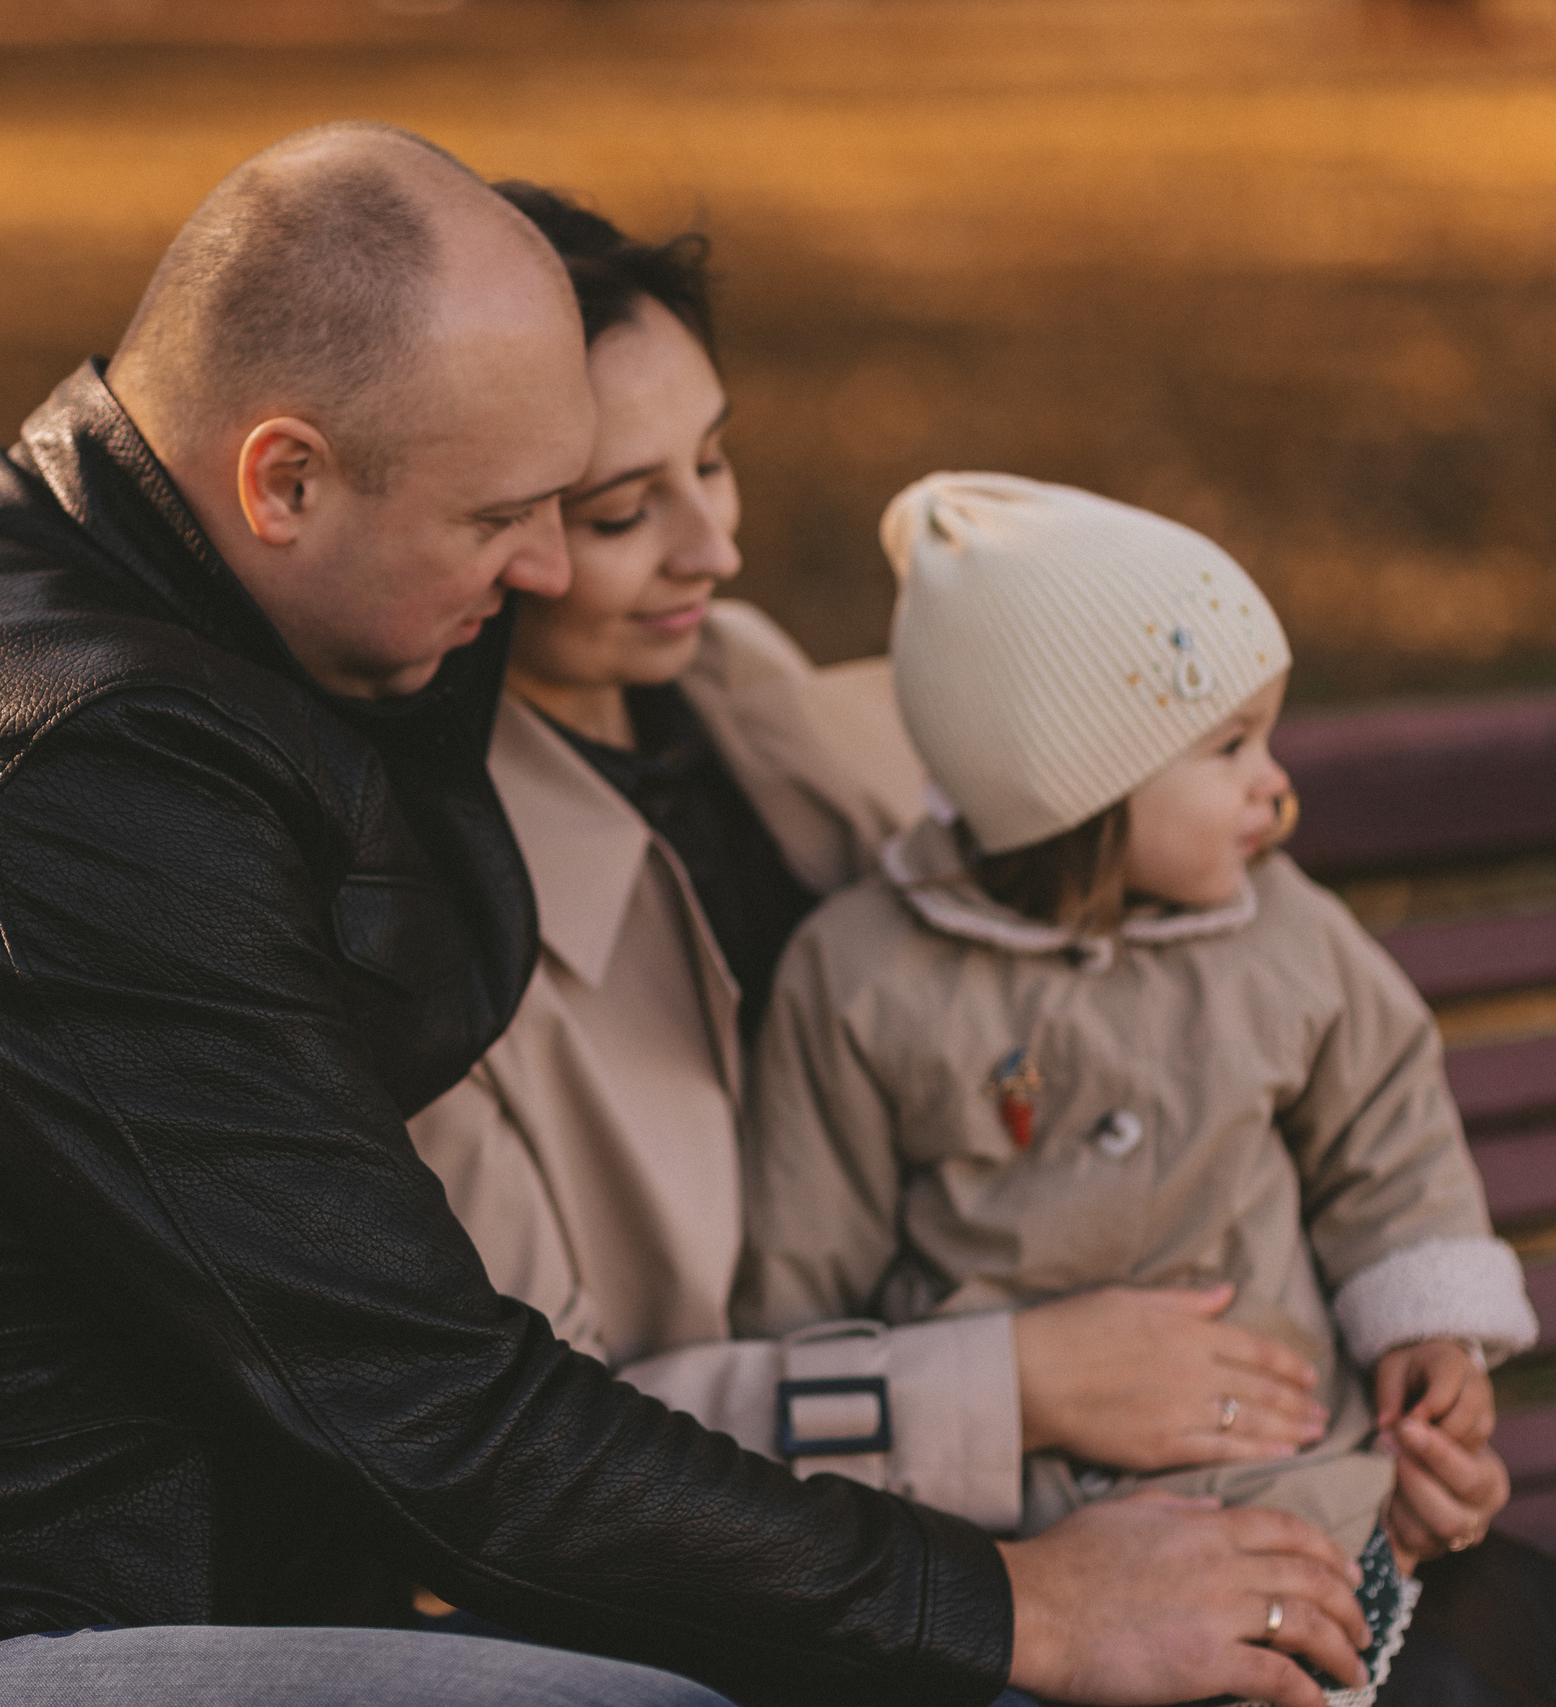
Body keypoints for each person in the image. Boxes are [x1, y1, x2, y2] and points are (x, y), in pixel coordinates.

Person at [0, 125, 1369, 1707]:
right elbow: (423, 1402)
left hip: (50, 1571)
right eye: (503, 519)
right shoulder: (65, 779)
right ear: (281, 478)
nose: (540, 574)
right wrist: (1013, 1603)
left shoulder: (192, 632)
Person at [408, 186, 1420, 1544]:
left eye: (710, 461)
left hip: (1195, 1475)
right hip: (798, 1576)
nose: (717, 546)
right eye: (618, 514)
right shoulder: (438, 936)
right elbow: (534, 1441)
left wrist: (1399, 1397)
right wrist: (1013, 1386)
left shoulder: (761, 695)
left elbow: (1171, 1029)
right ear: (488, 526)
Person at [738, 473, 1542, 1703]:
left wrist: (1428, 1328)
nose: (1277, 786)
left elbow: (1386, 1130)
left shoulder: (1285, 934)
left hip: (1297, 1475)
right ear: (1075, 785)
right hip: (1023, 1532)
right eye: (1229, 748)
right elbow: (808, 1274)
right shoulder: (861, 980)